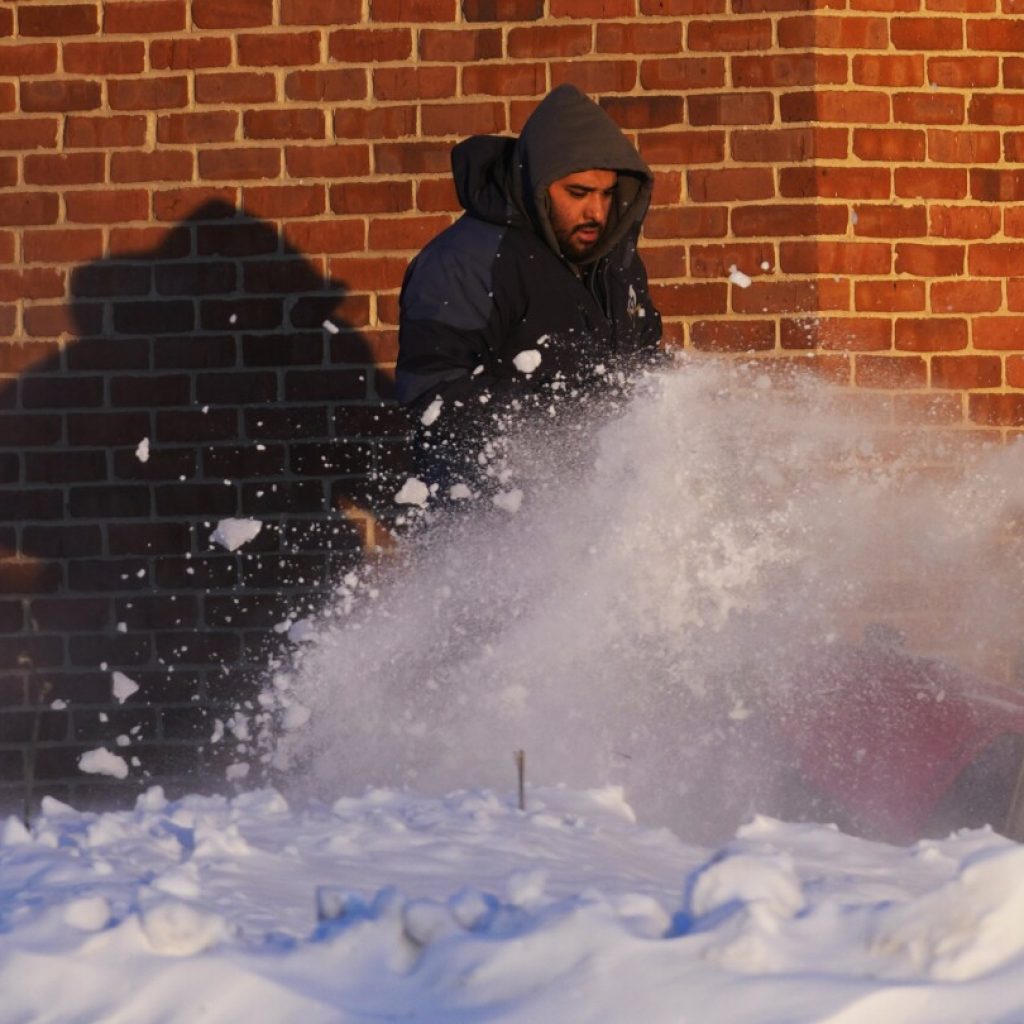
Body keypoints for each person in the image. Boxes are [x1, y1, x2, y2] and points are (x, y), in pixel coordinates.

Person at [396, 83, 663, 499]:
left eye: (607, 194)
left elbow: (645, 358)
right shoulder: (466, 262)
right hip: (500, 518)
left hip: (607, 512)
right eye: (578, 193)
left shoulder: (614, 261)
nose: (596, 211)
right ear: (539, 185)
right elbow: (433, 396)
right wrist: (562, 424)